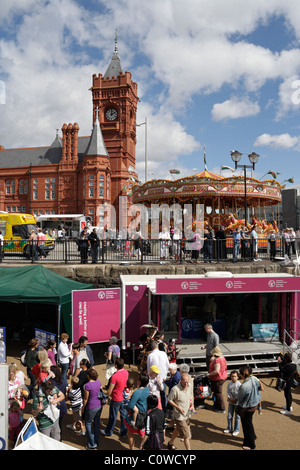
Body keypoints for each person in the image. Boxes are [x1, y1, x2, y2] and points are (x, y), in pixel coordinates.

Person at [101, 357, 129, 438]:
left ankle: (109, 431)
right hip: (124, 397)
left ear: (116, 365)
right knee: (123, 415)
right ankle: (123, 432)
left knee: (113, 416)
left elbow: (109, 390)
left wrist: (106, 397)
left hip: (116, 398)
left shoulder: (114, 376)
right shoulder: (126, 372)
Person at [167, 372, 194, 451]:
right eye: (184, 382)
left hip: (187, 414)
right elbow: (169, 400)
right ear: (180, 381)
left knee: (178, 429)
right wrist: (177, 407)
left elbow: (191, 396)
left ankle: (170, 443)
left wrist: (192, 405)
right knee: (186, 436)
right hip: (179, 416)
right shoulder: (175, 389)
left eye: (187, 382)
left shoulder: (190, 386)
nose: (186, 384)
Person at [237, 365, 261, 450]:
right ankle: (253, 436)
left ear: (242, 375)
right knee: (249, 423)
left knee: (246, 425)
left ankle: (250, 444)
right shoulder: (254, 379)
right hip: (254, 404)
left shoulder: (244, 386)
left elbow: (239, 398)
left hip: (247, 407)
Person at [124, 373, 150, 450]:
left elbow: (130, 406)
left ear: (140, 381)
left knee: (130, 432)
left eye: (138, 379)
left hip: (135, 416)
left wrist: (124, 406)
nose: (137, 380)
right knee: (143, 434)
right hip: (144, 414)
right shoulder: (147, 389)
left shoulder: (137, 392)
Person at [147, 340, 170, 411]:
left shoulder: (150, 355)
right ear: (157, 346)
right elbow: (167, 365)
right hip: (163, 377)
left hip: (154, 378)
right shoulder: (163, 354)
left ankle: (153, 409)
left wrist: (149, 376)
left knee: (153, 395)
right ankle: (164, 410)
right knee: (163, 395)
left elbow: (149, 368)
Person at [82, 368, 102, 450]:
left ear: (88, 376)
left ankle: (92, 444)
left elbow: (86, 398)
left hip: (91, 406)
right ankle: (96, 441)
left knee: (88, 423)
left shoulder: (87, 385)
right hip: (99, 405)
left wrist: (83, 407)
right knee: (96, 422)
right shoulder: (99, 382)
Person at [207, 346, 228, 413]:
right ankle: (217, 405)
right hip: (223, 377)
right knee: (217, 392)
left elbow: (216, 371)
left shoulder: (217, 360)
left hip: (217, 378)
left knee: (218, 393)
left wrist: (209, 375)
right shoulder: (222, 358)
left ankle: (222, 408)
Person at [50, 365, 68, 441]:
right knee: (59, 423)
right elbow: (64, 393)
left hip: (54, 406)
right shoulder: (63, 381)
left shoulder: (51, 383)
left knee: (54, 425)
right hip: (62, 405)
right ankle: (60, 439)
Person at [224, 370, 241, 436]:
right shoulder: (229, 383)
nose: (233, 378)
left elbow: (240, 394)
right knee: (229, 416)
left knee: (237, 417)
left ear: (237, 377)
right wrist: (229, 397)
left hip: (237, 403)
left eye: (235, 376)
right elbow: (228, 391)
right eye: (232, 376)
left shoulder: (239, 385)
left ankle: (236, 430)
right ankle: (229, 428)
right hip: (231, 402)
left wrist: (235, 399)